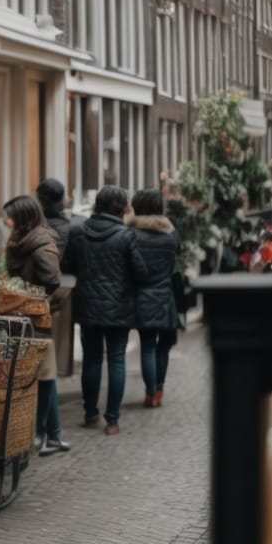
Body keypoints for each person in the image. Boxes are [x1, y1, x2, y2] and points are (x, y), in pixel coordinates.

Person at [64, 185, 136, 436]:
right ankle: (112, 420)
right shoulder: (127, 236)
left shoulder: (78, 231)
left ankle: (90, 414)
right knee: (116, 359)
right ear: (122, 208)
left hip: (88, 303)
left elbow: (67, 264)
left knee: (92, 359)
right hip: (119, 305)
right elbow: (139, 270)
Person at [3, 194, 68, 456]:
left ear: (23, 218)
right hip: (20, 315)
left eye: (10, 216)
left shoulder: (41, 245)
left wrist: (32, 296)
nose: (6, 221)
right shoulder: (19, 241)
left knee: (43, 374)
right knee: (42, 374)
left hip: (36, 317)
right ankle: (52, 434)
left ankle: (45, 433)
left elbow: (52, 281)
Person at [126, 188, 183, 409]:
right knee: (164, 345)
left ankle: (150, 392)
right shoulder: (171, 235)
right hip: (166, 296)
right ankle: (159, 388)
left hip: (141, 295)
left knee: (147, 345)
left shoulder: (130, 234)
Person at [37, 179, 80, 381]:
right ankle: (57, 371)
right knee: (59, 337)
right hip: (65, 284)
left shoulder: (37, 225)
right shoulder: (70, 226)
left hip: (40, 285)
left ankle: (47, 374)